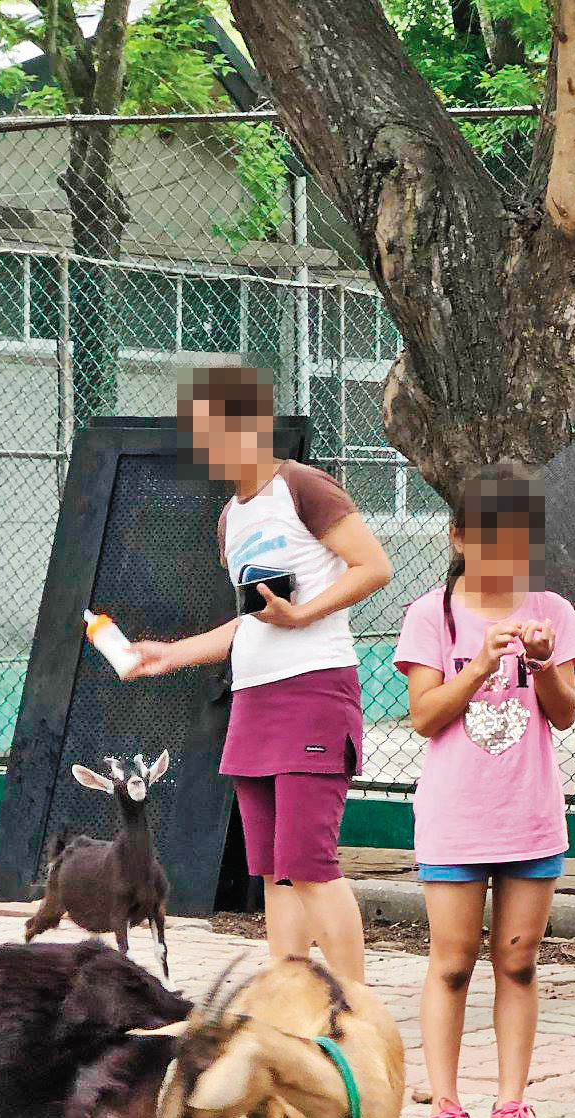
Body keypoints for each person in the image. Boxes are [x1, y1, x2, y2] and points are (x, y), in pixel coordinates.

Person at [129, 364, 390, 982]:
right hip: (253, 701)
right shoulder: (230, 518)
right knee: (272, 867)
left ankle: (354, 1009)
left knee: (310, 862)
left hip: (314, 689)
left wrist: (302, 615)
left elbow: (373, 567)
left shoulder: (303, 486)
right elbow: (248, 621)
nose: (201, 446)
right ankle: (292, 997)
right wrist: (170, 652)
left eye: (209, 429)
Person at [392, 462, 575, 1118]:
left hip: (530, 818)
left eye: (521, 542)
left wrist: (540, 664)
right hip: (455, 820)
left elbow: (566, 717)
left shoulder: (553, 612)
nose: (508, 557)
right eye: (493, 540)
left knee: (519, 960)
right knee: (451, 965)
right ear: (460, 537)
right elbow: (423, 718)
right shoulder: (430, 614)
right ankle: (447, 1112)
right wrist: (477, 666)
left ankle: (511, 1107)